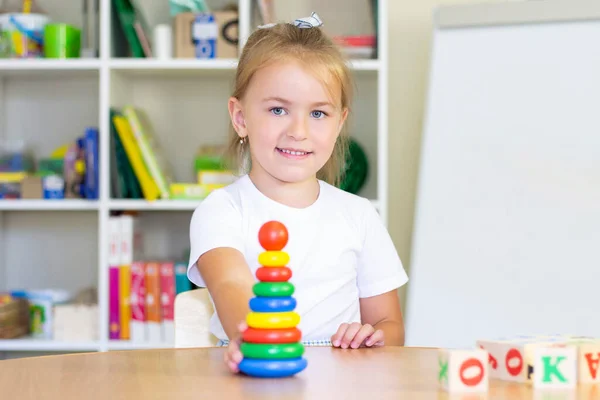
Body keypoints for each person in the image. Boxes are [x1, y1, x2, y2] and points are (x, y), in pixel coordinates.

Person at [187, 12, 409, 373]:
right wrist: (251, 336)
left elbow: (390, 326)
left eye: (319, 114)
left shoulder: (359, 215)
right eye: (278, 109)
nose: (299, 131)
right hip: (251, 376)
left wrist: (373, 337)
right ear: (240, 117)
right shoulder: (222, 210)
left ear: (339, 123)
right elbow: (231, 283)